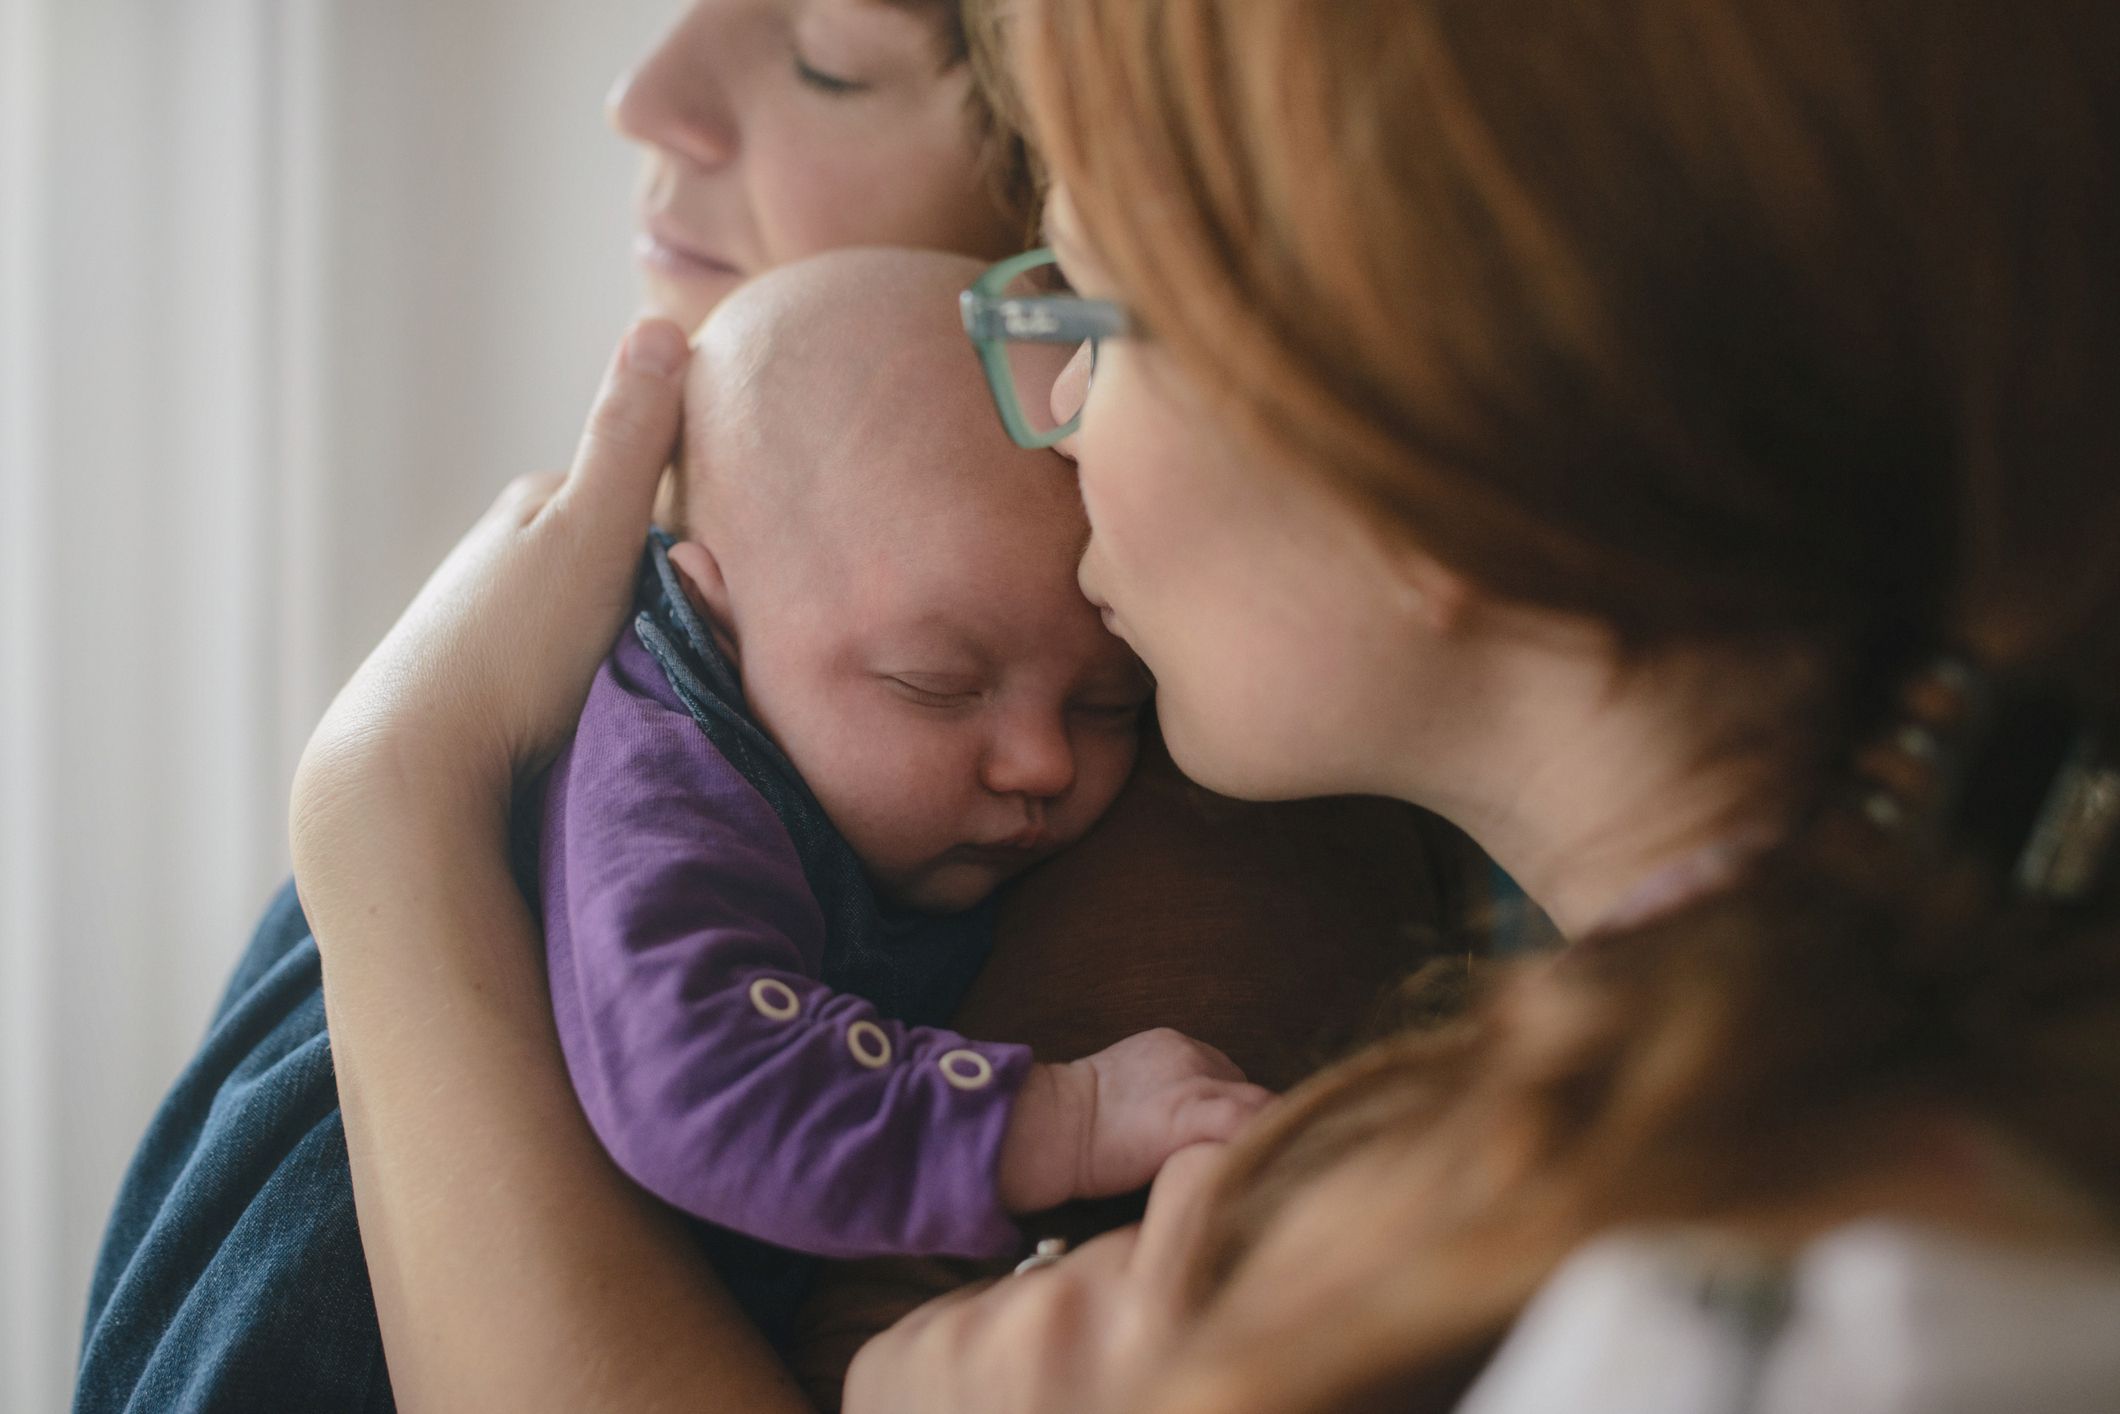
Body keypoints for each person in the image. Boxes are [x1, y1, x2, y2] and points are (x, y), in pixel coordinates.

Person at [285, 0, 2120, 1410]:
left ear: (1430, 430)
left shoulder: (1829, 1325)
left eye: (1081, 307)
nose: (1047, 417)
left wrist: (390, 809)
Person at [75, 3, 1451, 1409]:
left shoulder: (1211, 810)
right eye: (937, 678)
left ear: (1090, 183)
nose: (642, 95)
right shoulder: (651, 669)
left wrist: (384, 797)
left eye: (828, 60)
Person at [539, 248, 1268, 1331]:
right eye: (937, 685)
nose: (1043, 763)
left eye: (1107, 704)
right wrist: (1062, 1116)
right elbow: (696, 1071)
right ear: (710, 618)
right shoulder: (664, 766)